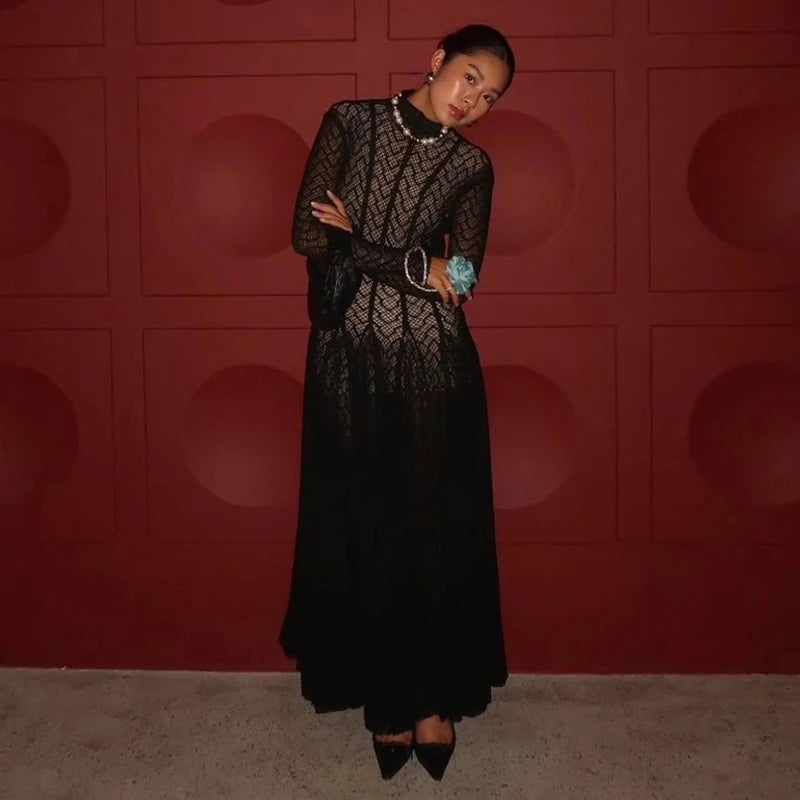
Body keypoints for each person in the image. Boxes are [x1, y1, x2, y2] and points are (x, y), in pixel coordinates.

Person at [279, 23, 515, 781]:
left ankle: (432, 698)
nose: (473, 100)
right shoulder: (349, 122)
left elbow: (466, 278)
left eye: (490, 95)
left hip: (435, 360)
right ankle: (385, 697)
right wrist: (417, 262)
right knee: (365, 515)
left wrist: (365, 246)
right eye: (470, 77)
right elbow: (305, 235)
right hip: (348, 351)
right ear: (438, 58)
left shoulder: (473, 166)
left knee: (431, 520)